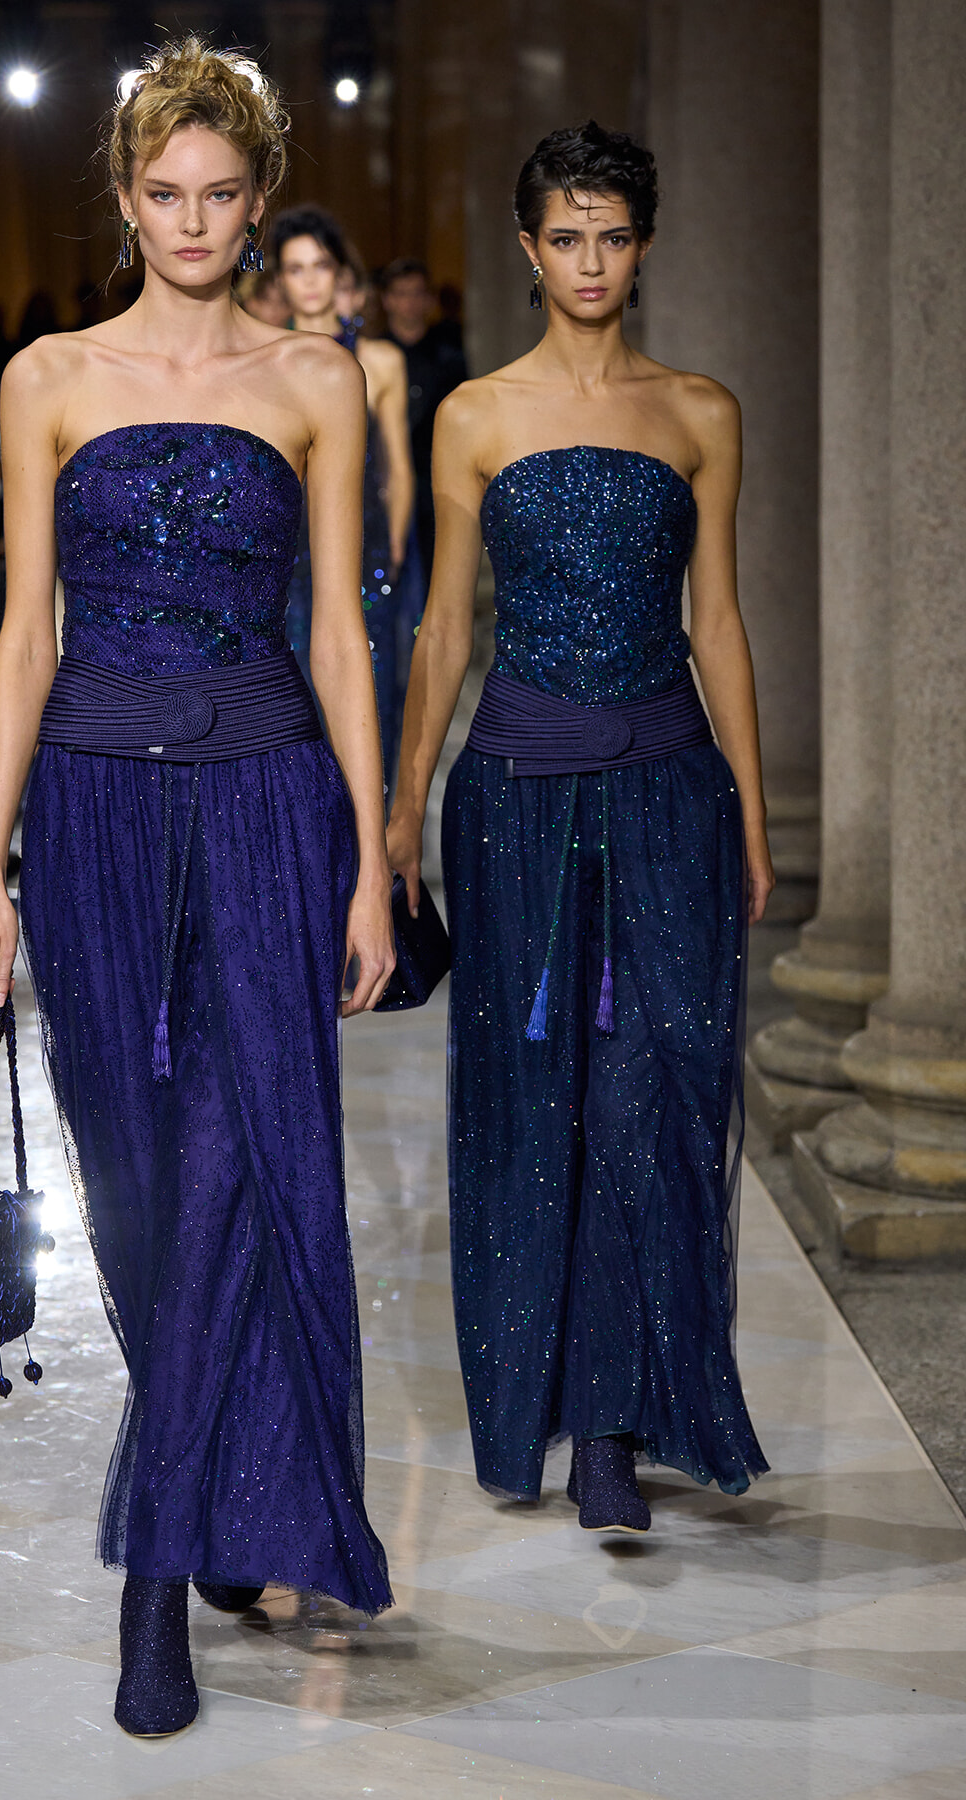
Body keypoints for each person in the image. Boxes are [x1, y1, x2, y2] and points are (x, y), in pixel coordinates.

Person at [0, 37, 395, 1740]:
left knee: (241, 1163)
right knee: (138, 1189)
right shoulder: (49, 373)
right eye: (166, 192)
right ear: (127, 194)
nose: (194, 219)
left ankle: (157, 1585)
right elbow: (20, 643)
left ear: (259, 197)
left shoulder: (318, 380)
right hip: (90, 813)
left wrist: (373, 857)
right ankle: (222, 1489)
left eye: (224, 194)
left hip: (275, 802)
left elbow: (344, 636)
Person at [387, 121, 771, 1534]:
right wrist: (400, 806)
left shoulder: (701, 412)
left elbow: (717, 621)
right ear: (529, 247)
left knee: (652, 1089)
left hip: (670, 780)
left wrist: (752, 808)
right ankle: (539, 1402)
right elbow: (441, 625)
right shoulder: (475, 414)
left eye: (613, 235)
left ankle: (617, 1420)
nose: (590, 260)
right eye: (566, 237)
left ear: (644, 244)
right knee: (529, 1097)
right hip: (516, 793)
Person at [273, 206, 414, 788]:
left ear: (339, 273)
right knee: (291, 700)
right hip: (283, 556)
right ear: (278, 280)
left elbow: (400, 468)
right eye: (295, 268)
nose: (309, 280)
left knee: (366, 699)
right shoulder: (263, 360)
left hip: (364, 551)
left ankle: (368, 848)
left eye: (320, 265)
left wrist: (395, 553)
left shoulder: (379, 361)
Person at [378, 257, 468, 588]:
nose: (410, 302)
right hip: (386, 480)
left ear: (429, 299)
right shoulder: (374, 354)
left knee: (438, 572)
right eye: (401, 293)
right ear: (387, 299)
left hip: (437, 477)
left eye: (417, 293)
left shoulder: (449, 353)